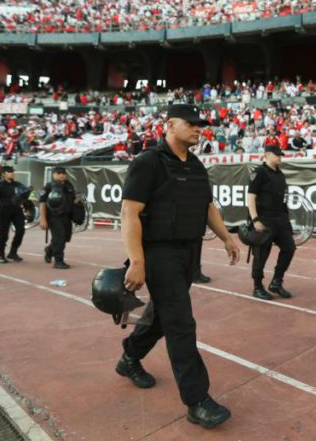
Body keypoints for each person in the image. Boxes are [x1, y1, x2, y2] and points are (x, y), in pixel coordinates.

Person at [119, 104, 240, 429]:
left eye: (201, 125)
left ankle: (130, 355)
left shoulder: (197, 165)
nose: (199, 129)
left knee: (163, 317)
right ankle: (197, 401)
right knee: (181, 324)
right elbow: (129, 212)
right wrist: (138, 260)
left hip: (188, 252)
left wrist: (227, 238)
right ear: (169, 125)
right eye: (192, 123)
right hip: (159, 255)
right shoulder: (149, 162)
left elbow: (207, 206)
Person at [247, 144, 296, 300]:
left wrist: (286, 220)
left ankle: (276, 281)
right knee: (261, 254)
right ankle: (257, 287)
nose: (280, 157)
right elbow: (251, 197)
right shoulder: (259, 172)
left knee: (289, 248)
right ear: (268, 155)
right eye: (277, 155)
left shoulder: (280, 174)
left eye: (281, 154)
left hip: (280, 219)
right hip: (264, 219)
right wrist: (255, 219)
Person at [0, 165, 28, 263]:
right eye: (9, 172)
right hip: (4, 211)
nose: (12, 173)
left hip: (17, 211)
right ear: (3, 174)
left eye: (13, 171)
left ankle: (13, 252)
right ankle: (1, 254)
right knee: (3, 235)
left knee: (21, 231)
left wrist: (29, 207)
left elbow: (25, 196)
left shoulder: (19, 184)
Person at [39, 167, 78, 269]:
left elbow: (73, 200)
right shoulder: (49, 187)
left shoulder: (69, 186)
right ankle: (58, 261)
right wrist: (43, 219)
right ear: (54, 174)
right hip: (54, 216)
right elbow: (42, 203)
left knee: (65, 238)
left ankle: (49, 250)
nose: (62, 175)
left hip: (67, 216)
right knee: (59, 237)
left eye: (63, 173)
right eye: (59, 173)